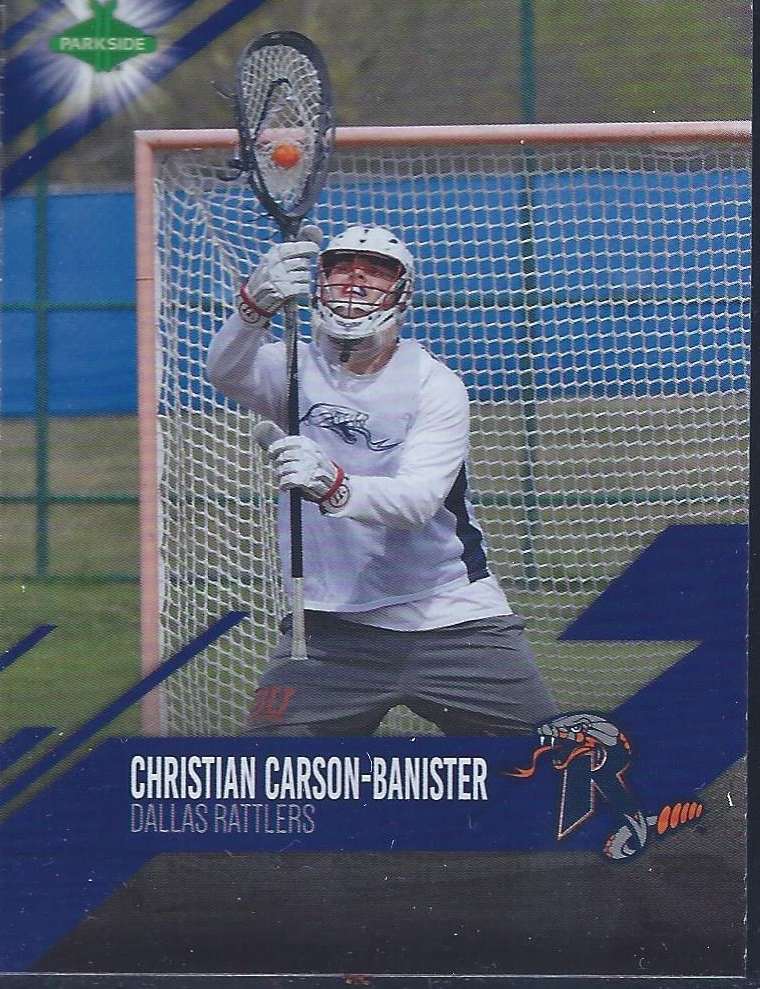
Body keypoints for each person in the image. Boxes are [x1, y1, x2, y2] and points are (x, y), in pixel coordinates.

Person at [206, 224, 557, 735]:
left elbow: (417, 502)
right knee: (271, 777)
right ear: (318, 284)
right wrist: (252, 308)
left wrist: (333, 485)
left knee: (550, 766)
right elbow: (224, 372)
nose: (354, 282)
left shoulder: (434, 385)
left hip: (453, 618)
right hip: (328, 630)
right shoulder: (292, 366)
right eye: (341, 270)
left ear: (401, 293)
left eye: (373, 273)